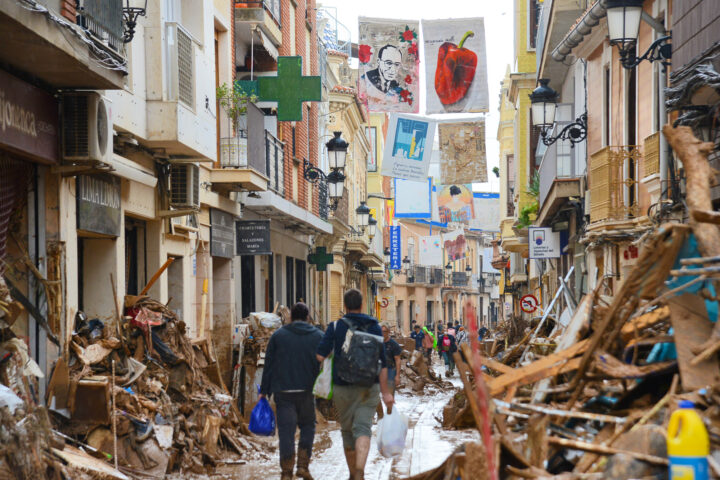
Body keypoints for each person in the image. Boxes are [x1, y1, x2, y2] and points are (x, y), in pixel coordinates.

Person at [316, 289, 394, 480]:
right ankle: (360, 469)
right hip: (370, 385)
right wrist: (386, 394)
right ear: (362, 305)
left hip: (342, 386)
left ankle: (353, 474)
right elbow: (382, 363)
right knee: (364, 428)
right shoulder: (375, 326)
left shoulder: (335, 327)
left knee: (347, 431)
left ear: (344, 306)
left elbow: (320, 355)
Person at [259, 303, 323, 480]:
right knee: (308, 426)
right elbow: (328, 360)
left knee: (286, 432)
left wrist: (264, 391)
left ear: (290, 317)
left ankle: (286, 472)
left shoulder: (278, 336)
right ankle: (302, 466)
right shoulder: (318, 336)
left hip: (283, 391)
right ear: (308, 317)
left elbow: (269, 365)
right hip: (307, 391)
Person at [377, 325, 403, 419]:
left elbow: (398, 360)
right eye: (381, 331)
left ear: (388, 332)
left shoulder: (393, 344)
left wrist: (397, 376)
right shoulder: (377, 343)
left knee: (390, 395)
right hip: (378, 371)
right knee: (375, 394)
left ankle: (389, 414)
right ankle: (380, 415)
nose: (382, 333)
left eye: (385, 331)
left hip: (390, 371)